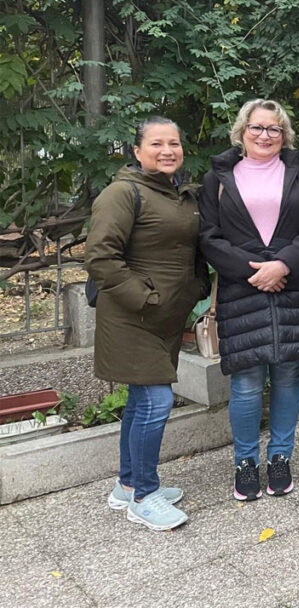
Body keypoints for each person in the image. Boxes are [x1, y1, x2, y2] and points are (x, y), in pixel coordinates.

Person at [199, 99, 299, 501]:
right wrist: (255, 269)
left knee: (290, 376)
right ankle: (244, 463)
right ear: (242, 132)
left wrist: (284, 265)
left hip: (294, 285)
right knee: (246, 382)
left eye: (274, 129)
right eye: (257, 128)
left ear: (284, 134)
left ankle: (280, 457)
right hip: (244, 288)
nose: (265, 136)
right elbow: (208, 235)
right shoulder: (218, 178)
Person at [85, 116, 207, 531]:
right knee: (156, 402)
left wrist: (194, 288)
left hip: (166, 316)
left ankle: (127, 485)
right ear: (137, 151)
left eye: (174, 143)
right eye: (157, 143)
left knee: (141, 403)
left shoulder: (179, 194)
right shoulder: (122, 193)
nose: (168, 150)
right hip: (133, 316)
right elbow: (101, 257)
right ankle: (144, 496)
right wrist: (146, 298)